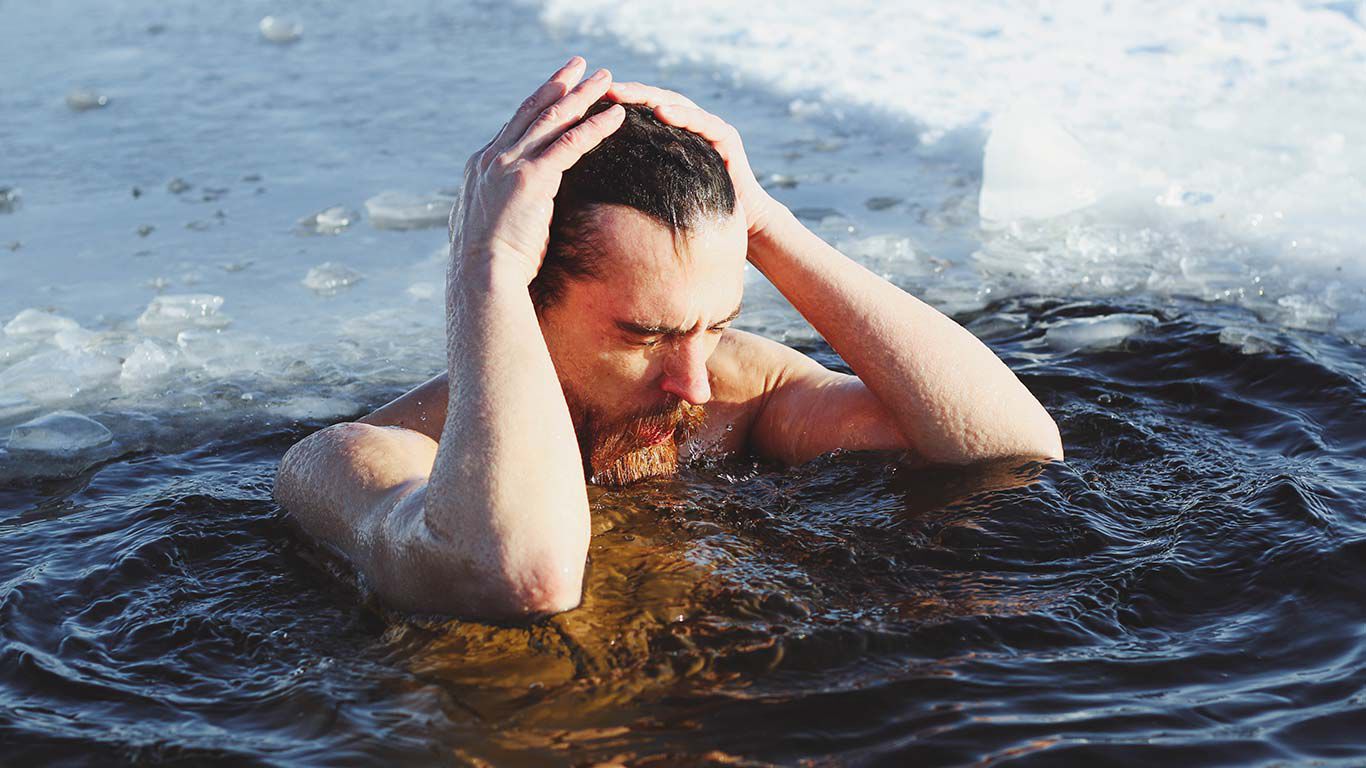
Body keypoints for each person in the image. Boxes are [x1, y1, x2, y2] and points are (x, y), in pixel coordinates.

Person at [273, 56, 1063, 622]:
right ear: (529, 298)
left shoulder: (741, 398)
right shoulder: (367, 459)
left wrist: (764, 220)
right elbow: (525, 577)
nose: (696, 381)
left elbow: (1008, 448)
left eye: (715, 325)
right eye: (646, 334)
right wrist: (484, 266)